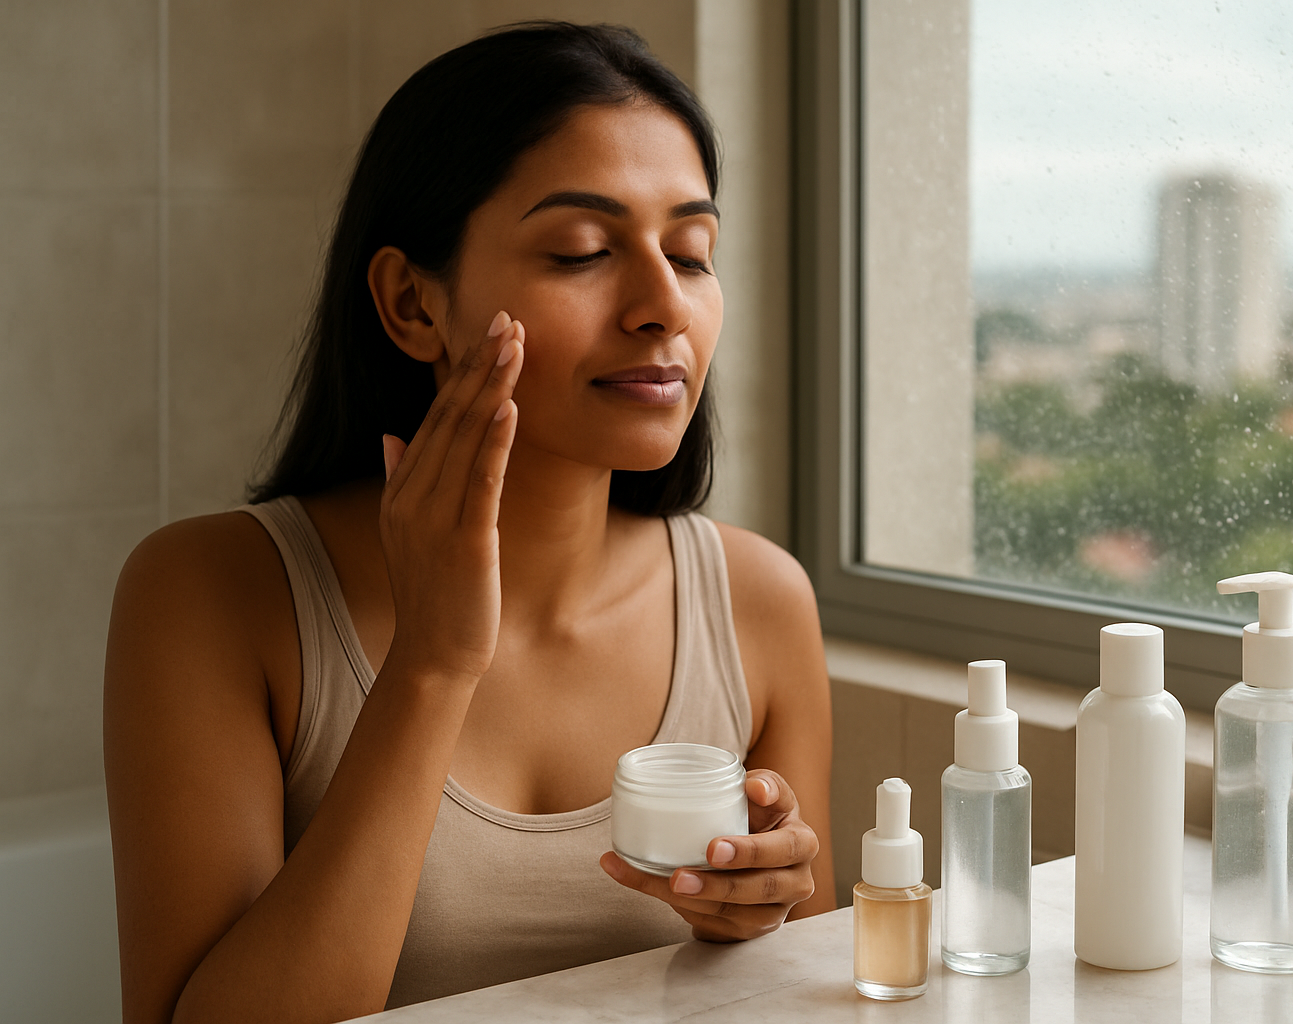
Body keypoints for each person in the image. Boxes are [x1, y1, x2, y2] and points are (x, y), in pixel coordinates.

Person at [103, 22, 834, 1024]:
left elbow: (800, 994)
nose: (664, 304)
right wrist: (433, 663)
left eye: (692, 251)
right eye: (583, 251)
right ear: (411, 302)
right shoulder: (211, 593)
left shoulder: (760, 601)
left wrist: (748, 916)